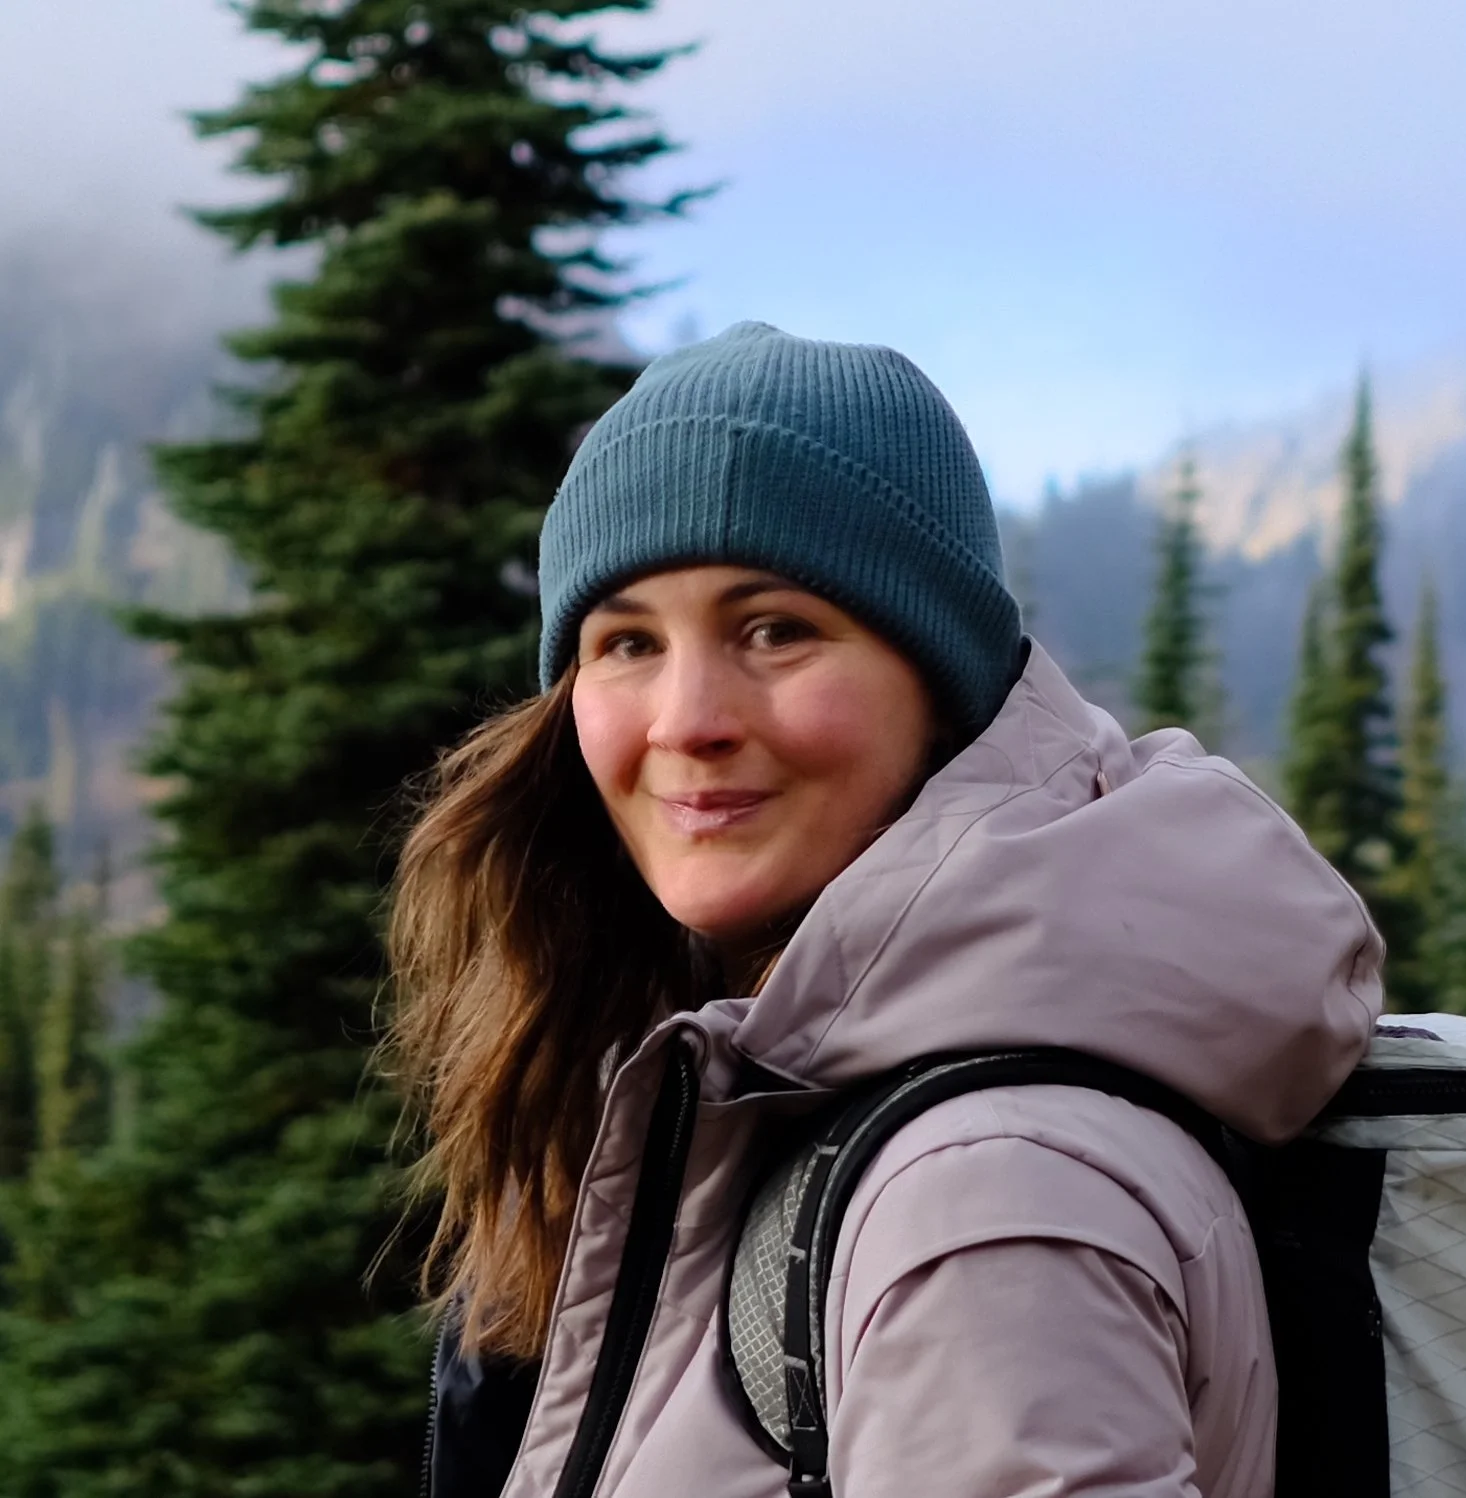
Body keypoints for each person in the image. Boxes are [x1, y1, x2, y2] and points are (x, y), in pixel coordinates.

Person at [390, 322, 1382, 1498]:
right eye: (626, 643)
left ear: (940, 681)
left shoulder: (989, 1195)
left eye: (776, 630)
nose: (685, 717)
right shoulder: (752, 1083)